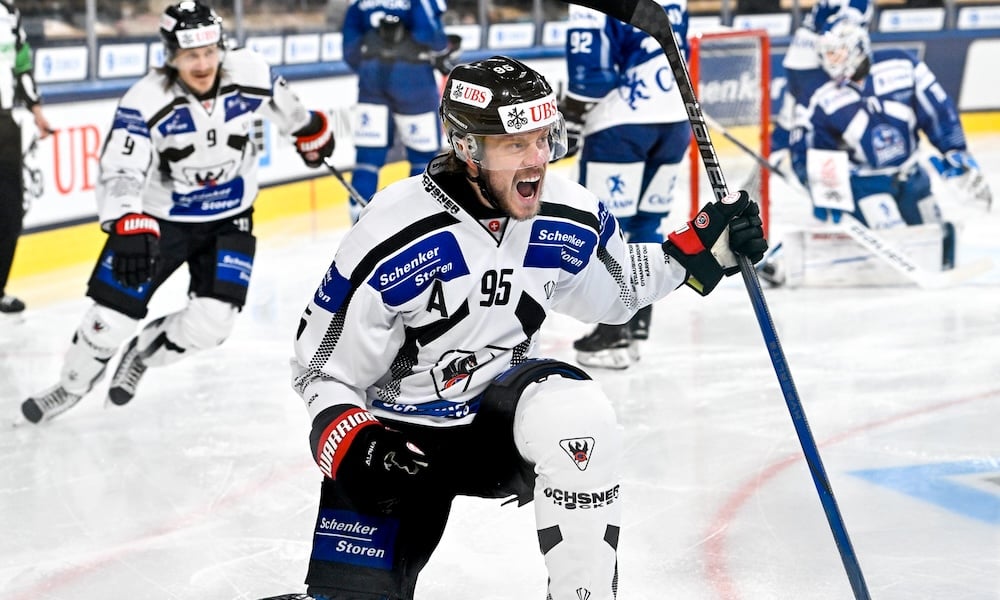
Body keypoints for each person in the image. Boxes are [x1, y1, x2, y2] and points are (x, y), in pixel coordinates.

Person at [277, 56, 766, 600]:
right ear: (467, 149)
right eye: (515, 145)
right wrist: (354, 442)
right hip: (398, 438)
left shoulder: (569, 214)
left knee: (579, 417)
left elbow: (618, 289)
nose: (537, 160)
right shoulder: (392, 232)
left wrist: (699, 251)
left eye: (542, 138)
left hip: (497, 420)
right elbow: (319, 369)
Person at [19, 0, 335, 424]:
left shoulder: (251, 72)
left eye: (209, 52)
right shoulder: (146, 98)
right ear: (171, 55)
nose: (202, 64)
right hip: (160, 220)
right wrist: (127, 218)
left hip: (230, 216)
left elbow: (290, 111)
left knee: (212, 324)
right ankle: (71, 386)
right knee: (109, 319)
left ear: (221, 47)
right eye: (190, 56)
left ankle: (142, 353)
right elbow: (121, 168)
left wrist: (311, 132)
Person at [776, 19, 991, 285]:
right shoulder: (818, 95)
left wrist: (954, 150)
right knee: (896, 242)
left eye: (836, 53)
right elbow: (809, 150)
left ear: (857, 49)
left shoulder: (902, 65)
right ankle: (786, 262)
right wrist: (823, 190)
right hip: (865, 183)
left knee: (936, 239)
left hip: (911, 175)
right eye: (826, 54)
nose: (829, 62)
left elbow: (938, 110)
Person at [560, 0, 691, 369]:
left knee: (607, 227)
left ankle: (613, 328)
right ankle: (637, 322)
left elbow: (592, 76)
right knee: (648, 222)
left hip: (620, 124)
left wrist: (572, 114)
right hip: (675, 121)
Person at [341, 0, 460, 223]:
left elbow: (349, 50)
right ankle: (414, 224)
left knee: (367, 158)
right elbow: (432, 38)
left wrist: (371, 64)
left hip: (371, 81)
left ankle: (359, 225)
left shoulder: (358, 2)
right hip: (414, 80)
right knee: (422, 157)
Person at [769, 0, 872, 167]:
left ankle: (773, 156)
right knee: (820, 113)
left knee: (789, 116)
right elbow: (837, 28)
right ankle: (805, 161)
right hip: (814, 60)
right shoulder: (857, 3)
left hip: (799, 55)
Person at [0, 0, 52, 315]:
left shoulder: (8, 12)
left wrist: (36, 111)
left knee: (9, 213)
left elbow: (21, 64)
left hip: (4, 123)